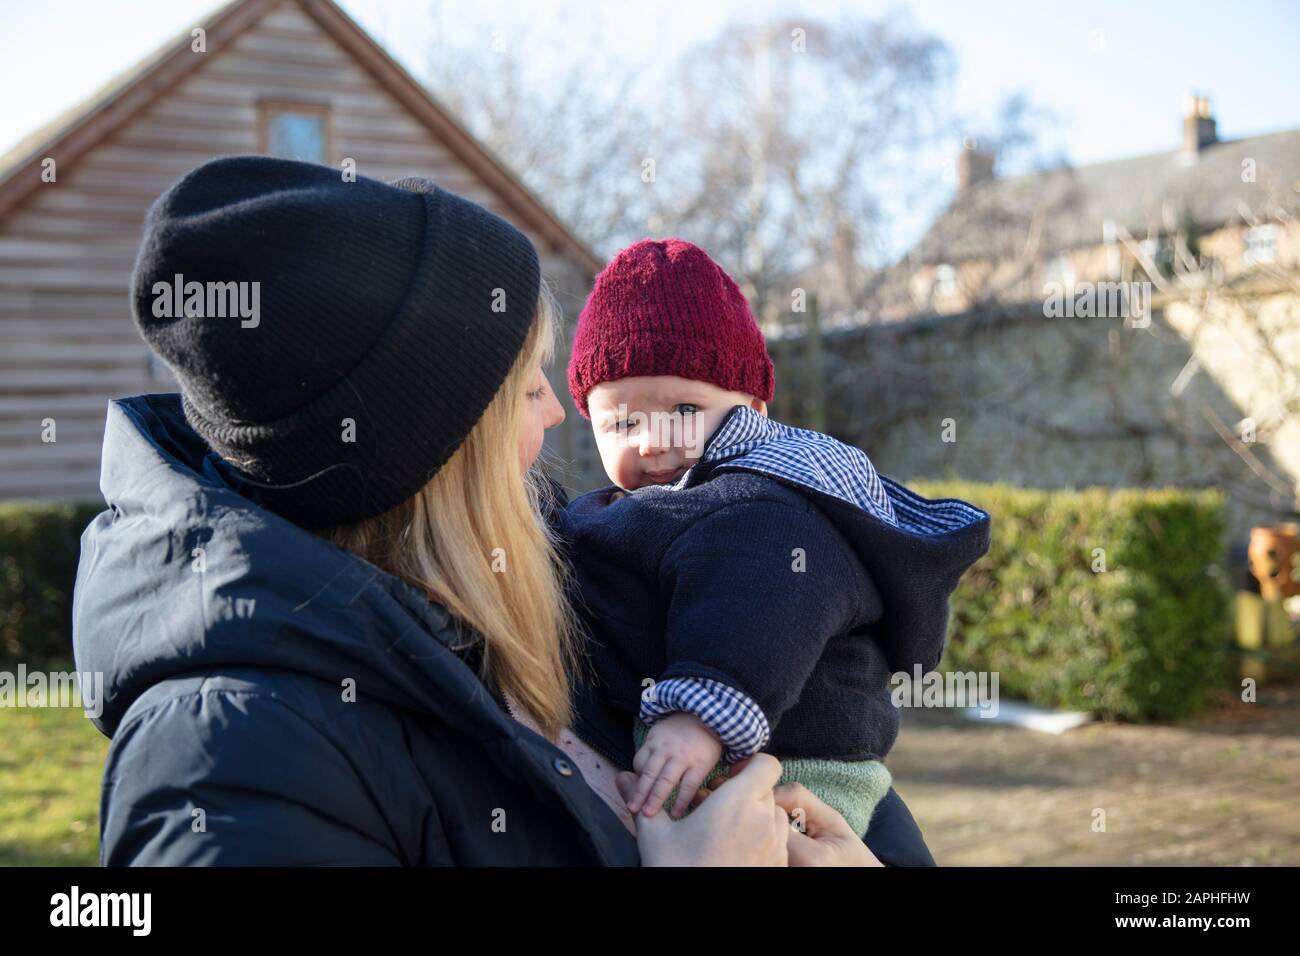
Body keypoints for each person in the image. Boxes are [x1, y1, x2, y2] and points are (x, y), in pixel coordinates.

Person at [72, 156, 934, 865]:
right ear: (433, 449)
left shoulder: (563, 589)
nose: (559, 415)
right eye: (529, 390)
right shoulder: (224, 765)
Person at [560, 238, 990, 833]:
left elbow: (758, 605)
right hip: (723, 755)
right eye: (624, 421)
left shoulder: (765, 505)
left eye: (684, 409)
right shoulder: (658, 502)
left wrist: (699, 718)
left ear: (755, 408)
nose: (652, 439)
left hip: (801, 767)